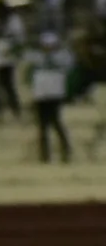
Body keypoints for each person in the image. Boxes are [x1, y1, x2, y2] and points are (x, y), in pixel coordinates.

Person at [26, 31, 75, 163]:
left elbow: (68, 66)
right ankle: (44, 155)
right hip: (41, 94)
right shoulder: (36, 56)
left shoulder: (62, 56)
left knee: (56, 122)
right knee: (42, 126)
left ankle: (66, 151)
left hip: (54, 93)